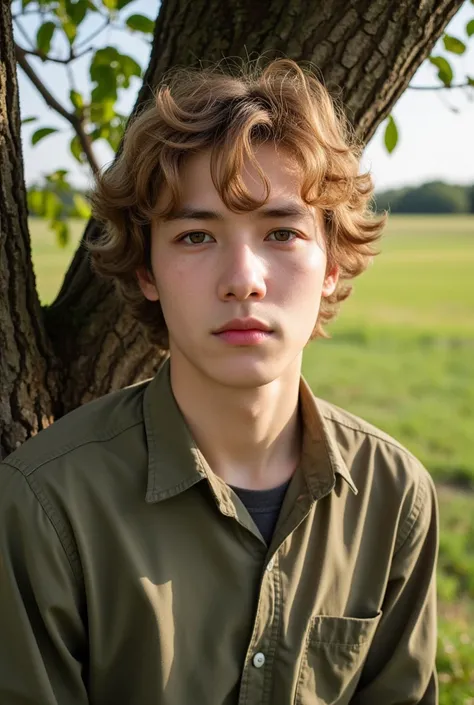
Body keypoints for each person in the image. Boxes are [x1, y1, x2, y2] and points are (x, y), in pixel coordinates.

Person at [0, 58, 438, 704]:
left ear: (333, 265)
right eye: (197, 235)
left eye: (282, 232)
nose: (243, 278)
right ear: (147, 269)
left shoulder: (394, 496)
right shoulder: (43, 507)